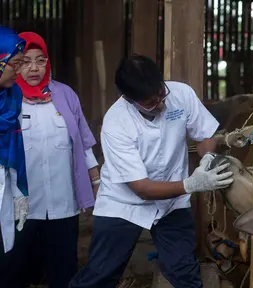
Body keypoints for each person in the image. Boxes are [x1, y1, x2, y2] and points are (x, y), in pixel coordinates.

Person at [69, 54, 234, 288]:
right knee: (101, 273)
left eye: (161, 94)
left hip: (171, 204)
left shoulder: (181, 94)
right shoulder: (116, 124)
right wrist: (191, 184)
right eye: (151, 102)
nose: (161, 103)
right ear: (129, 99)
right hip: (123, 204)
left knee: (184, 271)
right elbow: (142, 189)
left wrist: (206, 158)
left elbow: (205, 134)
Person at [0, 31, 100, 288]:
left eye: (41, 60)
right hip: (20, 204)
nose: (34, 68)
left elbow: (82, 143)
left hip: (62, 201)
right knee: (13, 269)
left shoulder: (66, 95)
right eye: (25, 61)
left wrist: (96, 183)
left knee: (63, 269)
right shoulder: (7, 99)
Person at [0, 26, 29, 255]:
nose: (19, 71)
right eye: (16, 63)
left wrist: (19, 192)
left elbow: (15, 148)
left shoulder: (13, 96)